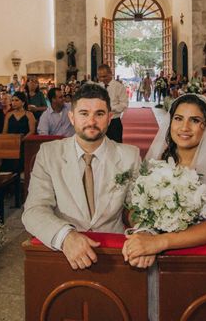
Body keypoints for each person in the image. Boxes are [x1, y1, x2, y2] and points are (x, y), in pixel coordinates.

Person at [22, 83, 141, 269]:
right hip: (64, 252)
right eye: (84, 113)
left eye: (99, 114)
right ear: (72, 117)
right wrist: (65, 236)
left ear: (110, 118)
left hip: (116, 253)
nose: (91, 121)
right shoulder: (49, 154)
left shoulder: (129, 156)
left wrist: (143, 231)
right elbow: (33, 210)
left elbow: (136, 208)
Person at [122, 94, 206, 265]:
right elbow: (134, 208)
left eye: (194, 120)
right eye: (178, 119)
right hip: (156, 255)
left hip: (204, 255)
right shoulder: (159, 160)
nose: (184, 127)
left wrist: (160, 242)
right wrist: (145, 232)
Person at [97, 64, 128, 143]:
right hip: (100, 121)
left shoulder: (119, 87)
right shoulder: (98, 87)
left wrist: (110, 108)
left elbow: (124, 105)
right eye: (100, 77)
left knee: (116, 147)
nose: (102, 79)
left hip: (114, 122)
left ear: (110, 73)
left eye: (104, 76)